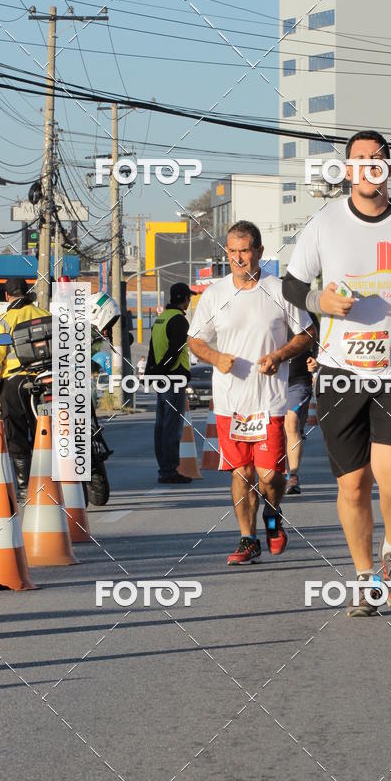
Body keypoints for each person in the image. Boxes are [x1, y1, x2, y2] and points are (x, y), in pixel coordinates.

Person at [283, 130, 391, 616]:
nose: (367, 166)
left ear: (388, 167)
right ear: (347, 170)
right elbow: (292, 286)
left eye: (376, 158)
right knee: (352, 484)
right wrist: (322, 301)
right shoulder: (324, 224)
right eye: (358, 159)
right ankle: (363, 579)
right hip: (340, 371)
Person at [189, 221, 315, 565]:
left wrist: (279, 355)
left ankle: (272, 519)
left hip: (269, 400)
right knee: (241, 473)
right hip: (231, 403)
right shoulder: (215, 294)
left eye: (245, 250)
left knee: (270, 476)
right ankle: (247, 539)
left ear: (258, 252)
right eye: (232, 251)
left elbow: (306, 333)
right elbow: (195, 340)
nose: (238, 258)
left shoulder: (279, 290)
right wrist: (216, 357)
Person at [0, 278, 50, 500]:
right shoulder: (46, 316)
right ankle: (54, 481)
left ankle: (25, 488)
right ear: (27, 293)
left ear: (6, 295)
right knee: (48, 431)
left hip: (15, 383)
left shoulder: (4, 322)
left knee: (16, 434)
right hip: (47, 381)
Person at [145, 281, 195, 484]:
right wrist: (162, 369)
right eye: (189, 298)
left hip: (161, 379)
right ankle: (168, 470)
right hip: (173, 378)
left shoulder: (161, 319)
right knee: (172, 427)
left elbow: (152, 348)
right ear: (184, 299)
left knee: (161, 425)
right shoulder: (179, 321)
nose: (189, 301)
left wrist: (152, 372)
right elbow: (174, 351)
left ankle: (164, 468)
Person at [284, 316, 319, 495]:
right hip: (270, 382)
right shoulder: (265, 307)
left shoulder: (307, 316)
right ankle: (275, 470)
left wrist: (316, 361)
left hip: (298, 382)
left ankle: (293, 475)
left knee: (291, 421)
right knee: (274, 428)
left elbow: (321, 345)